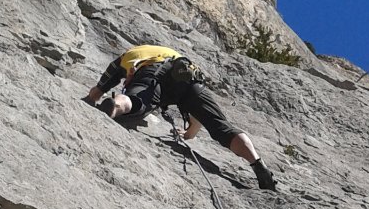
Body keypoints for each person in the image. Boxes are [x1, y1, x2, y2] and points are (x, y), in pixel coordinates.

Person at [82, 45, 276, 190]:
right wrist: (190, 133)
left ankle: (117, 105)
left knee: (137, 100)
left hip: (152, 70)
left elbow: (98, 90)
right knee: (221, 127)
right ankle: (258, 164)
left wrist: (92, 98)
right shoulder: (171, 53)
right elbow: (197, 120)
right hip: (188, 75)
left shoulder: (128, 57)